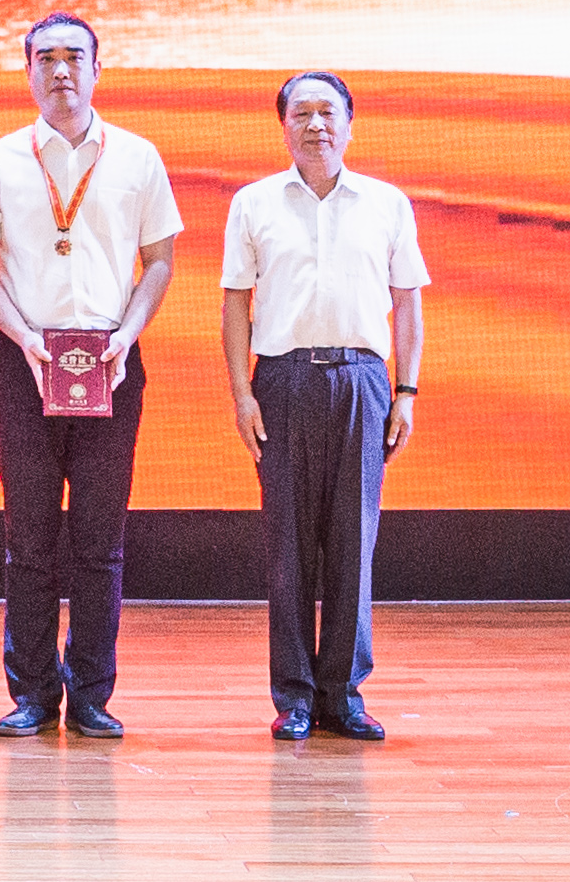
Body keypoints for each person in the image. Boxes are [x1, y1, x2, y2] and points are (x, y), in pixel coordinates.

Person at [0, 12, 181, 739]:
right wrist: (22, 335)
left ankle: (90, 694)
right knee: (28, 537)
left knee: (99, 541)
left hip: (111, 363)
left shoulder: (138, 157)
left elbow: (160, 261)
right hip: (26, 363)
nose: (61, 70)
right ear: (27, 71)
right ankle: (30, 692)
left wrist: (127, 336)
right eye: (45, 58)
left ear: (96, 68)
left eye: (74, 57)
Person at [222, 70, 429, 743]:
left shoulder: (386, 203)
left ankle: (343, 693)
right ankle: (294, 697)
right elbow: (235, 303)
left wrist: (405, 390)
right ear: (283, 125)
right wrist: (242, 392)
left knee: (353, 544)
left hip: (362, 380)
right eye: (302, 113)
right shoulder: (253, 203)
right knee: (287, 546)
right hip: (281, 380)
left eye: (328, 112)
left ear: (349, 124)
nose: (316, 124)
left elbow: (407, 302)